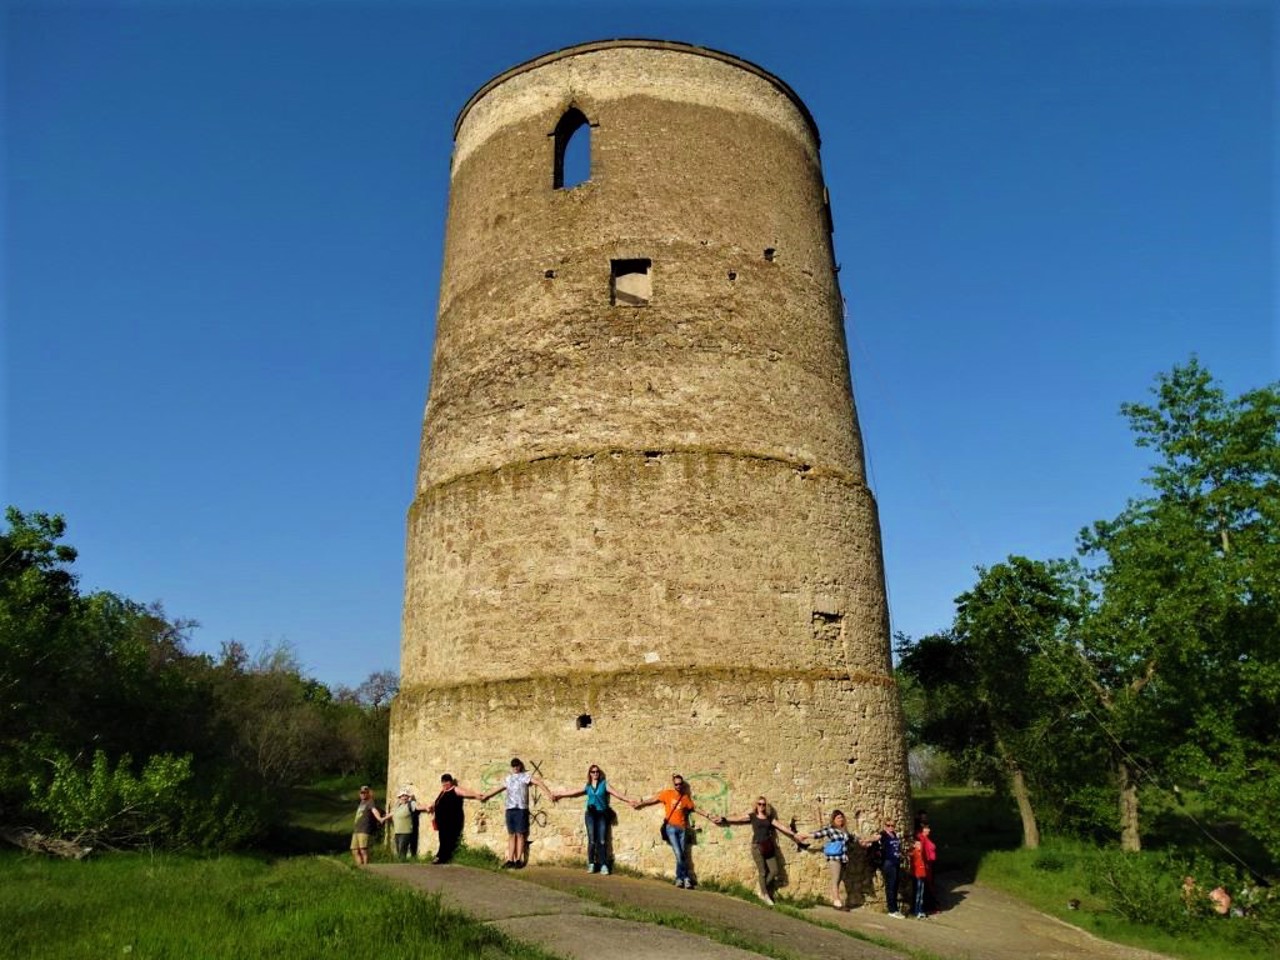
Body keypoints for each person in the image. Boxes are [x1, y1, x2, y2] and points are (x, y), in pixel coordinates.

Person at [633, 773, 720, 889]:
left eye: (680, 784)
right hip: (671, 828)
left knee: (683, 854)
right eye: (676, 784)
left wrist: (708, 815)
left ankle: (679, 879)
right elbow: (654, 799)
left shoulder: (685, 798)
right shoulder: (667, 794)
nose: (678, 786)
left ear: (682, 784)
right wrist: (641, 803)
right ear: (673, 785)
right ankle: (686, 878)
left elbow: (694, 808)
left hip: (682, 829)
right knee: (679, 853)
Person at [719, 796, 805, 905]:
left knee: (774, 871)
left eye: (763, 804)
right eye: (759, 804)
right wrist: (723, 819)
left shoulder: (769, 818)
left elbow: (781, 827)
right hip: (757, 846)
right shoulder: (753, 816)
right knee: (763, 871)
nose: (761, 806)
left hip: (768, 846)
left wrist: (794, 835)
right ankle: (765, 895)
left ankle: (761, 889)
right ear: (756, 805)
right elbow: (738, 818)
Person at [550, 763, 633, 874]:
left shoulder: (604, 784)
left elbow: (617, 794)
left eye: (597, 772)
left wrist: (629, 800)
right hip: (590, 814)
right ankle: (591, 864)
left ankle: (603, 865)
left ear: (599, 773)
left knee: (603, 840)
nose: (595, 773)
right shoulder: (587, 786)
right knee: (592, 840)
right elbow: (573, 791)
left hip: (602, 814)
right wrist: (559, 794)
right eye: (593, 772)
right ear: (589, 774)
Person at [482, 758, 551, 868]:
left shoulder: (525, 776)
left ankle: (518, 859)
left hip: (521, 809)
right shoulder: (508, 779)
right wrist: (487, 795)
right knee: (511, 835)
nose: (515, 768)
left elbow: (538, 782)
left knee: (520, 834)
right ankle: (510, 859)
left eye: (517, 765)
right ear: (512, 767)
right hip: (510, 809)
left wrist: (548, 793)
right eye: (513, 766)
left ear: (520, 766)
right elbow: (498, 788)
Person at [801, 809, 867, 909]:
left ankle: (837, 900)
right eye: (838, 818)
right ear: (834, 819)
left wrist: (865, 841)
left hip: (843, 858)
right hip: (834, 857)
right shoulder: (831, 829)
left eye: (841, 817)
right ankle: (836, 901)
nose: (840, 819)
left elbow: (854, 839)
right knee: (835, 879)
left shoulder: (844, 831)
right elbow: (818, 834)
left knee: (839, 879)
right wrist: (805, 836)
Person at [426, 773, 484, 864]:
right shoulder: (443, 792)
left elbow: (465, 793)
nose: (445, 784)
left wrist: (475, 795)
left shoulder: (455, 789)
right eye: (443, 782)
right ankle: (441, 857)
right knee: (443, 839)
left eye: (447, 782)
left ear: (451, 782)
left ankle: (441, 857)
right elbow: (437, 802)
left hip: (452, 820)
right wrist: (431, 806)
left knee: (448, 839)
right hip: (442, 821)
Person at [350, 785, 384, 867]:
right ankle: (360, 866)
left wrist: (379, 818)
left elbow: (374, 810)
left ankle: (366, 867)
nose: (363, 794)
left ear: (368, 793)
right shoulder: (362, 803)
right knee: (354, 850)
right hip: (356, 830)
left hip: (364, 829)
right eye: (361, 793)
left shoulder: (370, 802)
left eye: (365, 793)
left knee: (363, 850)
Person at [878, 817, 905, 917]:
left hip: (896, 862)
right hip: (888, 863)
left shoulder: (894, 835)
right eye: (888, 825)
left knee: (895, 886)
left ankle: (895, 909)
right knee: (891, 886)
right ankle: (892, 910)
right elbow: (876, 838)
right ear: (884, 826)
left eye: (892, 825)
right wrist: (865, 840)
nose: (890, 827)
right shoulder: (883, 834)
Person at [388, 787, 418, 860]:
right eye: (402, 796)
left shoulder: (411, 804)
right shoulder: (398, 806)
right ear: (399, 797)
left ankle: (403, 865)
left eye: (405, 796)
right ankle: (401, 864)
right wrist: (382, 819)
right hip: (397, 832)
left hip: (406, 832)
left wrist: (427, 807)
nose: (404, 797)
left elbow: (418, 807)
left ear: (408, 797)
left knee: (402, 850)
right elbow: (392, 813)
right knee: (399, 850)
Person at [917, 822, 938, 913]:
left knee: (928, 886)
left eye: (929, 828)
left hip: (929, 865)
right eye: (927, 828)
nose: (929, 830)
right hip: (925, 865)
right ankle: (927, 907)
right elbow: (921, 851)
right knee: (926, 887)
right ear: (923, 830)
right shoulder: (922, 838)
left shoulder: (926, 838)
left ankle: (929, 906)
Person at [907, 838, 929, 918]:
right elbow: (910, 855)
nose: (920, 846)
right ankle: (916, 910)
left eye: (920, 844)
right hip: (918, 874)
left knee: (921, 893)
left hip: (922, 874)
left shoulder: (921, 853)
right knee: (918, 893)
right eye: (918, 844)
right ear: (914, 845)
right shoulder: (915, 852)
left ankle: (920, 909)